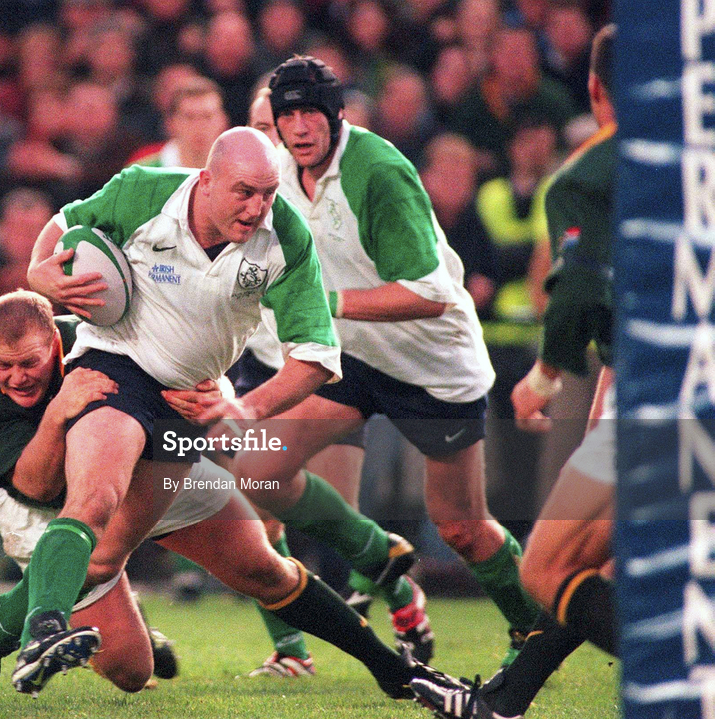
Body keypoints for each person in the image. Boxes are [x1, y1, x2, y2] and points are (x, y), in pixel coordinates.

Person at [14, 125, 427, 696]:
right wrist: (40, 270)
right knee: (97, 499)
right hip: (115, 370)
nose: (258, 208)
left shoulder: (284, 237)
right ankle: (43, 632)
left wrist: (245, 407)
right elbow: (63, 223)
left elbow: (316, 355)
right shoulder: (142, 191)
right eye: (244, 192)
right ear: (205, 181)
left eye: (268, 193)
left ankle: (391, 667)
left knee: (248, 564)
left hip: (191, 404)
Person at [0, 290, 466, 702]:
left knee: (263, 565)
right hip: (43, 508)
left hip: (146, 467)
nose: (17, 376)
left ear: (57, 345)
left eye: (30, 363)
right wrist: (61, 408)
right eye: (3, 366)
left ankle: (393, 671)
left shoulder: (95, 338)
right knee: (132, 670)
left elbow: (182, 363)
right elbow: (35, 486)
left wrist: (217, 393)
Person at [232, 56, 541, 669]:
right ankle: (377, 553)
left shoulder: (377, 171)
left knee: (462, 529)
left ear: (336, 113)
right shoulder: (281, 173)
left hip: (433, 370)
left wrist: (327, 303)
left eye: (309, 112)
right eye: (285, 114)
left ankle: (534, 629)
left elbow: (430, 293)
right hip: (355, 361)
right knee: (257, 472)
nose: (297, 127)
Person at [412, 24, 618, 719]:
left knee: (546, 567)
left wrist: (547, 375)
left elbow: (581, 295)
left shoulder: (588, 175)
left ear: (593, 91)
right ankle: (504, 700)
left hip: (665, 394)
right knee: (602, 565)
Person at [237, 86, 436, 678]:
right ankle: (291, 651)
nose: (272, 139)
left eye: (277, 127)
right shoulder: (234, 193)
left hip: (320, 368)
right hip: (257, 363)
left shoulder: (321, 196)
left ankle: (398, 592)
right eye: (261, 126)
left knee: (336, 517)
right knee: (257, 506)